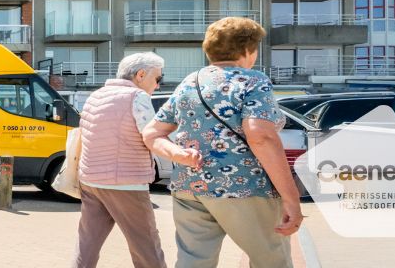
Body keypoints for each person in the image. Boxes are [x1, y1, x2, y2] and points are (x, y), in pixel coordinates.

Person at [143, 17, 303, 268]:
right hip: (246, 187)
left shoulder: (189, 82)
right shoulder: (253, 80)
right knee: (271, 261)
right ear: (248, 50)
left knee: (193, 262)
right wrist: (291, 198)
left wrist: (178, 154)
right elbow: (260, 136)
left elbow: (152, 133)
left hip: (190, 187)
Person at [72, 53, 197, 268]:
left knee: (87, 244)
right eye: (158, 79)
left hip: (90, 180)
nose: (158, 86)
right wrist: (180, 154)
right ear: (140, 74)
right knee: (146, 246)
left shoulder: (96, 96)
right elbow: (151, 136)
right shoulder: (136, 97)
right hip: (125, 183)